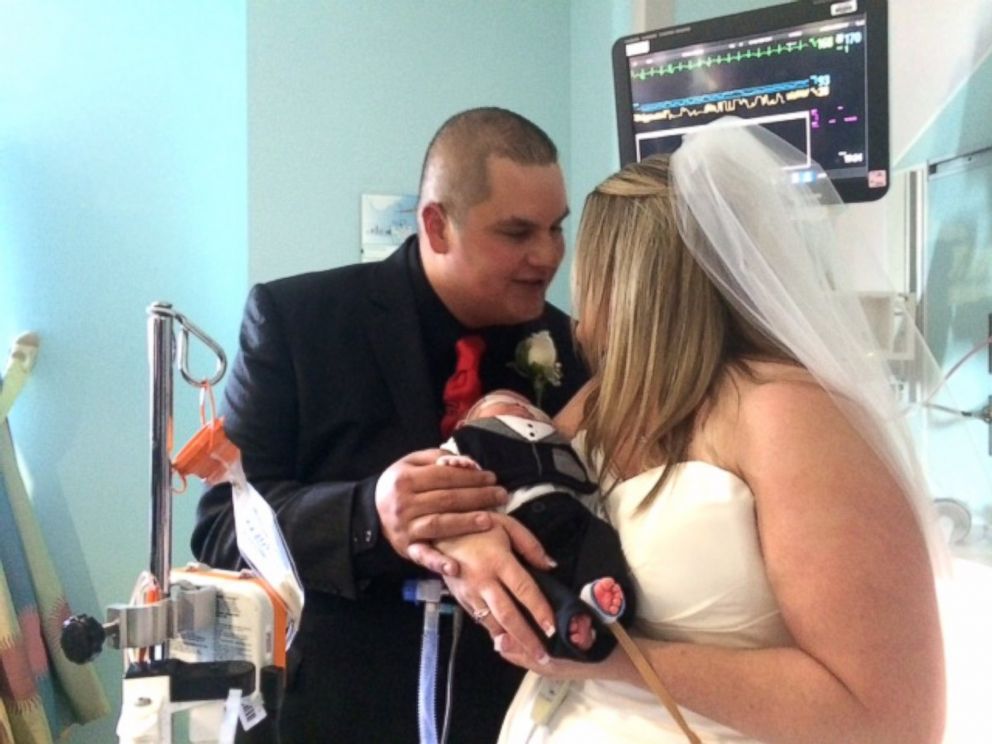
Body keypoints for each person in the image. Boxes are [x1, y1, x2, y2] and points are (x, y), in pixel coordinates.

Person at [438, 121, 948, 743]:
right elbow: (518, 491)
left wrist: (611, 656)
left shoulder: (790, 414)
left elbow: (892, 719)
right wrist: (474, 540)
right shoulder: (602, 404)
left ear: (622, 283)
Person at [190, 107, 589, 742]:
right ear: (436, 225)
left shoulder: (568, 346)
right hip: (336, 713)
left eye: (556, 229)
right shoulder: (298, 322)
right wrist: (369, 518)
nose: (547, 256)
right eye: (516, 233)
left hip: (518, 717)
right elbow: (221, 530)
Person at [437, 389, 633, 662]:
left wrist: (596, 510)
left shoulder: (559, 445)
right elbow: (441, 473)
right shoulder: (472, 440)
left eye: (526, 407)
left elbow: (587, 486)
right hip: (517, 525)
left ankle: (605, 595)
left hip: (571, 515)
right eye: (502, 403)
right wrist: (451, 465)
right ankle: (569, 620)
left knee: (602, 541)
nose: (519, 407)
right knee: (523, 580)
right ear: (467, 423)